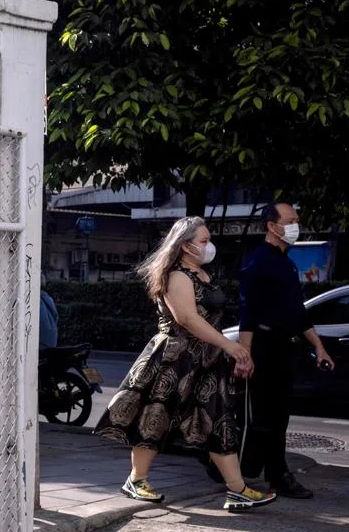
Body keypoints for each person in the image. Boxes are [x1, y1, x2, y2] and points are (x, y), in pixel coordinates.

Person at [93, 217, 276, 512]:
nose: (209, 246)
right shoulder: (177, 276)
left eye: (207, 239)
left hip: (206, 360)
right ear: (184, 245)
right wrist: (229, 345)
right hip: (174, 358)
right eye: (203, 241)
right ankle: (136, 480)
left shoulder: (201, 273)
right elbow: (187, 319)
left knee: (219, 421)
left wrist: (226, 349)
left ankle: (237, 490)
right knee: (156, 417)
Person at [235, 203, 335, 499]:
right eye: (290, 221)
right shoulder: (257, 262)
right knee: (264, 416)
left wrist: (320, 348)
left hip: (283, 348)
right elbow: (248, 313)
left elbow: (299, 313)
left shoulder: (287, 263)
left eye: (296, 220)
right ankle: (272, 474)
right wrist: (245, 355)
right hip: (263, 348)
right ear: (271, 225)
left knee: (280, 416)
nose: (296, 225)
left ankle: (275, 473)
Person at [40, 274, 58, 349]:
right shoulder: (49, 299)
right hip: (52, 343)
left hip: (41, 344)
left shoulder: (35, 301)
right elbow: (56, 318)